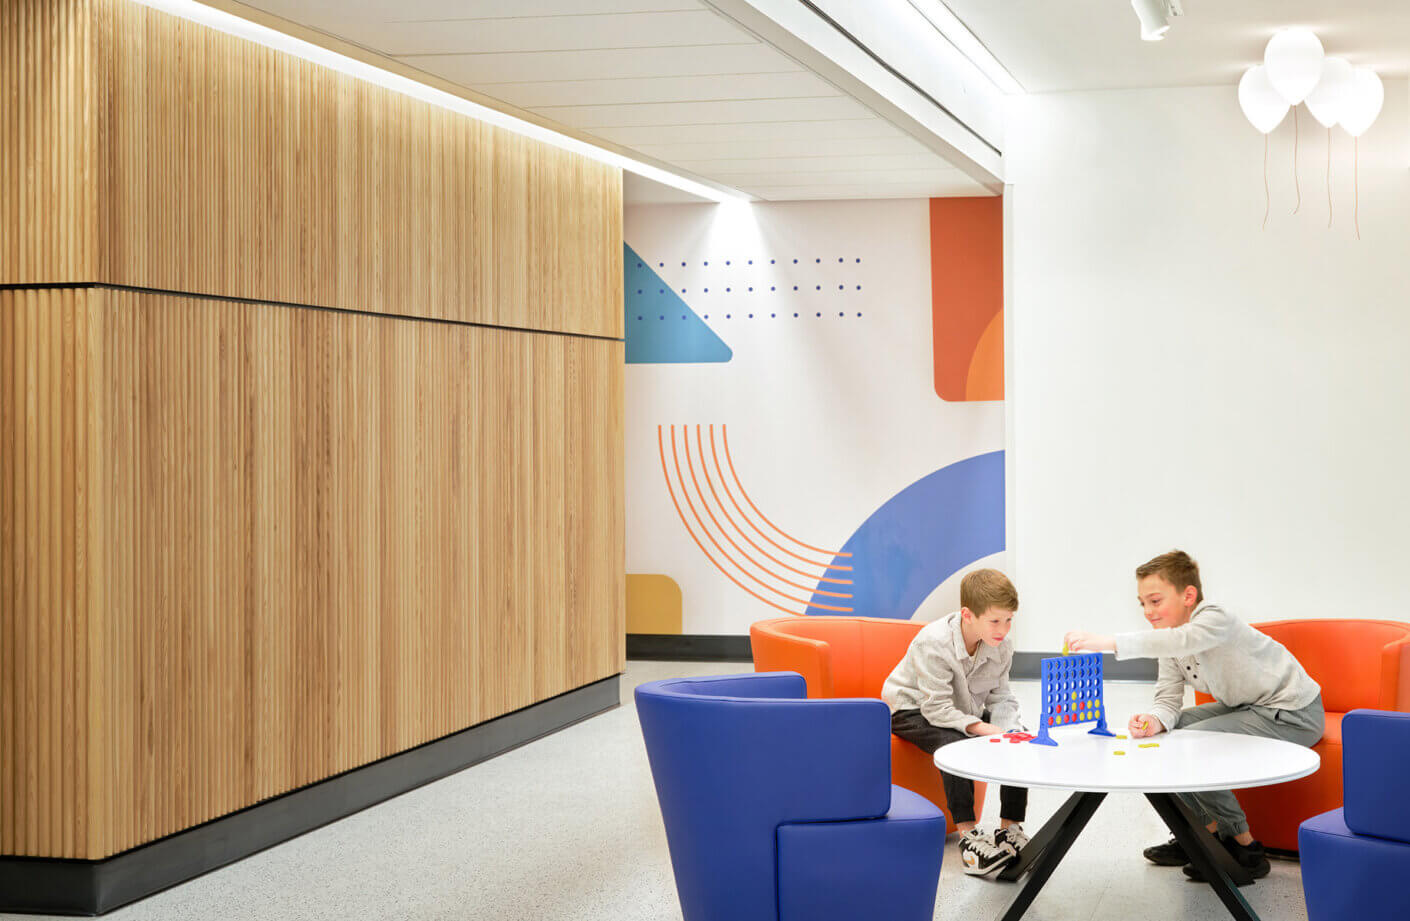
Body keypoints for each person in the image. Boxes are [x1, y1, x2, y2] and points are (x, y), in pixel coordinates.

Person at [1064, 549, 1324, 880]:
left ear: (1189, 595)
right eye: (1142, 603)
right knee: (1167, 736)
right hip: (1248, 707)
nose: (1147, 611)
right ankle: (1203, 836)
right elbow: (1168, 698)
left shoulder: (1214, 618)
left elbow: (1185, 638)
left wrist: (1107, 642)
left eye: (1155, 601)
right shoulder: (1169, 643)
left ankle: (1245, 848)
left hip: (1291, 711)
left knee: (1199, 744)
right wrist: (1154, 720)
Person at [883, 568, 1029, 877]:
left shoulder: (1001, 645)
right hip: (912, 709)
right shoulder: (933, 643)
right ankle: (969, 838)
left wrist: (1009, 729)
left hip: (961, 710)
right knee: (956, 746)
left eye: (1008, 620)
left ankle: (1009, 828)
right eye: (994, 621)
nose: (1003, 629)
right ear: (967, 614)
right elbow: (936, 709)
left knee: (1019, 738)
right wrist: (981, 728)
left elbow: (1002, 698)